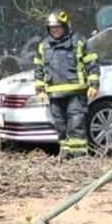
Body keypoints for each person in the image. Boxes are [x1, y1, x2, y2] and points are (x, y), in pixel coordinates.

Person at [33, 9, 100, 158]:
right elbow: (39, 69)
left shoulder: (78, 42)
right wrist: (40, 90)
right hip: (54, 94)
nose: (55, 30)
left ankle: (79, 157)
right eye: (52, 28)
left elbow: (92, 64)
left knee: (76, 125)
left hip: (76, 93)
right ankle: (65, 154)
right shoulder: (43, 46)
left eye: (57, 27)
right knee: (60, 126)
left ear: (65, 26)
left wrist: (94, 85)